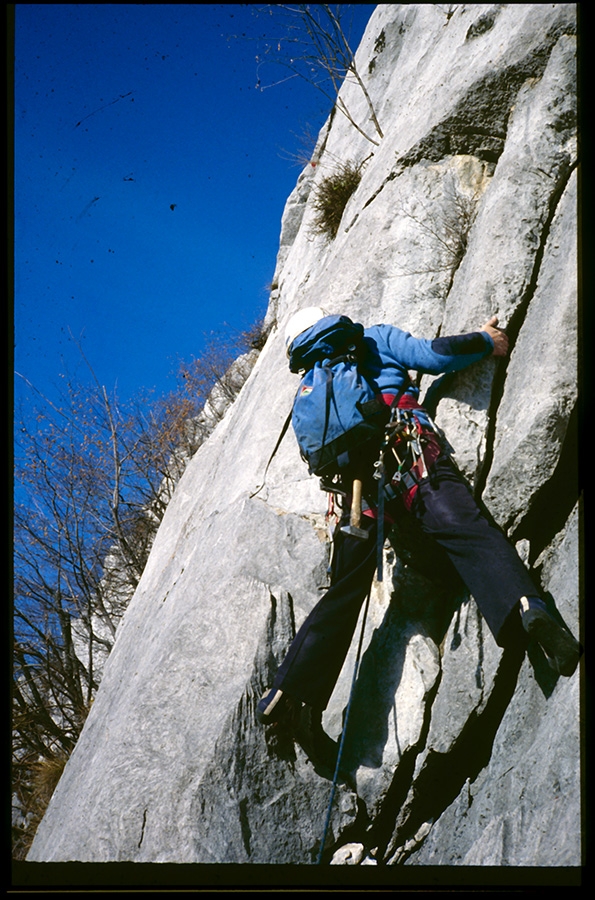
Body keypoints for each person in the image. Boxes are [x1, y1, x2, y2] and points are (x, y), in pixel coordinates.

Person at [256, 308, 582, 735]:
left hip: (361, 497)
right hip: (411, 459)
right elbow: (436, 356)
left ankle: (290, 689)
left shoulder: (312, 383)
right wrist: (487, 339)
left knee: (344, 590)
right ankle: (526, 607)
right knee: (469, 532)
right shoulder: (373, 339)